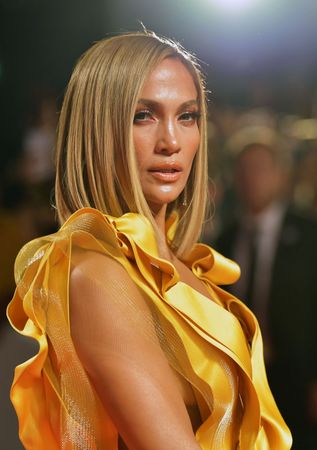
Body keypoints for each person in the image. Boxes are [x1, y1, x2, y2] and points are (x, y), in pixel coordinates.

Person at [7, 31, 292, 450]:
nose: (171, 142)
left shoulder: (184, 267)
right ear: (98, 129)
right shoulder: (95, 275)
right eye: (144, 115)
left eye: (187, 116)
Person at [215, 142, 317, 450]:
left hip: (299, 376)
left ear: (280, 176)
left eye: (261, 169)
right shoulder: (225, 238)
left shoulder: (313, 236)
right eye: (244, 170)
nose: (252, 178)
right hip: (244, 377)